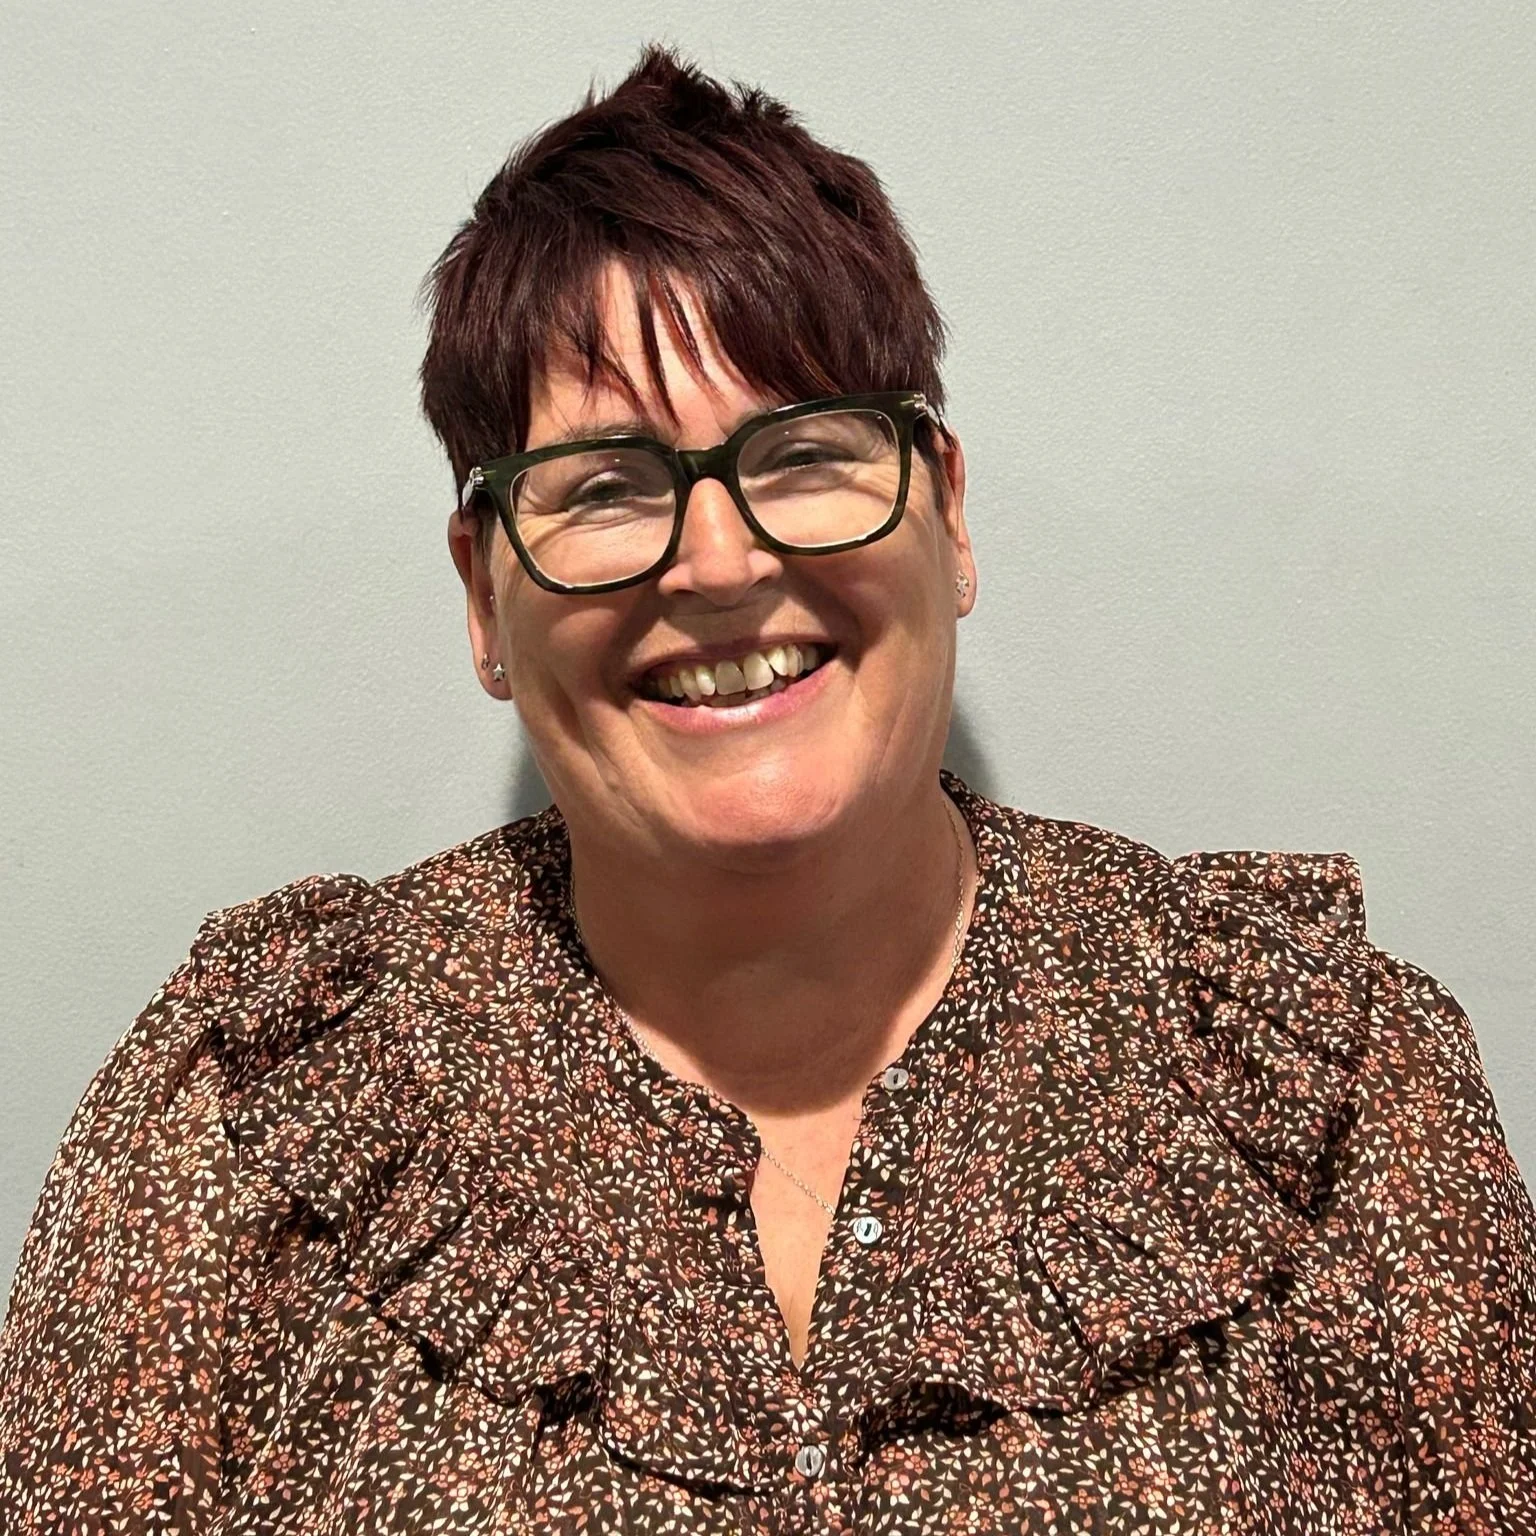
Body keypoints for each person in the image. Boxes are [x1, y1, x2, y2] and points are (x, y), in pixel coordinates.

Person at [2, 44, 1533, 1535]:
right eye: (603, 487)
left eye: (803, 453)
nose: (721, 564)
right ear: (484, 596)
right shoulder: (258, 1117)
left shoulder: (1314, 1079)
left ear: (945, 508)